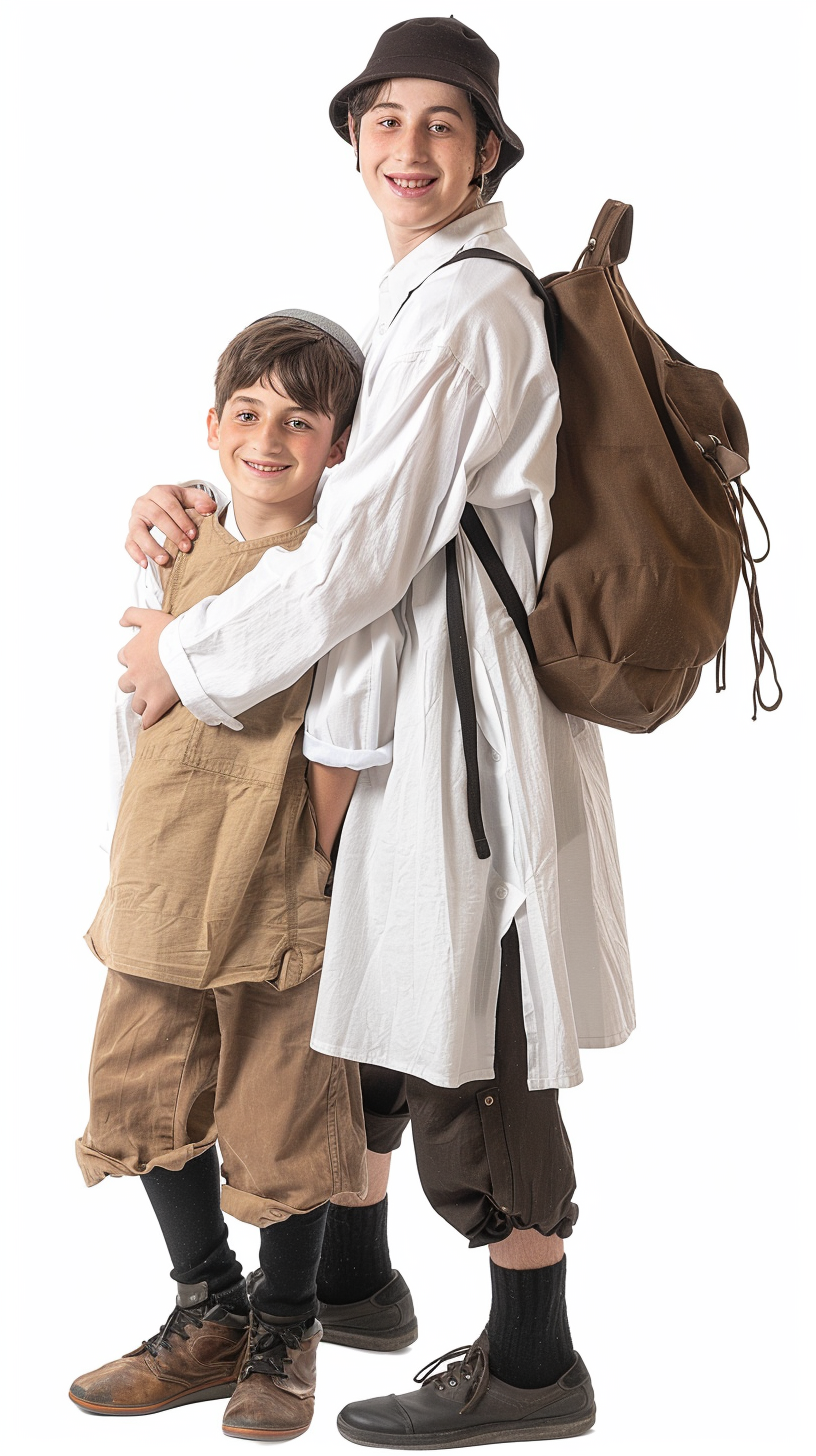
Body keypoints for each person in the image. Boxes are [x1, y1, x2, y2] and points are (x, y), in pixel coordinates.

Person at [118, 17, 635, 1448]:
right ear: (356, 138)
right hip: (397, 718)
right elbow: (340, 502)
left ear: (485, 151)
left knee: (482, 1037)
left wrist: (191, 654)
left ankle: (535, 1364)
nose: (408, 150)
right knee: (373, 1000)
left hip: (462, 740)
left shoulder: (469, 302)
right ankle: (354, 1283)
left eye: (441, 127)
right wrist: (192, 516)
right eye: (385, 122)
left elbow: (365, 556)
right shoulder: (424, 287)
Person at [69, 312, 372, 1442]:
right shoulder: (175, 540)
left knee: (280, 1106)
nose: (270, 437)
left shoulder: (339, 568)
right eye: (247, 413)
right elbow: (131, 703)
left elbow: (347, 737)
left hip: (275, 874)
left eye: (301, 419)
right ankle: (208, 1307)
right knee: (141, 1080)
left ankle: (287, 1330)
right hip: (161, 862)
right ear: (211, 427)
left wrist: (316, 864)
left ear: (338, 445)